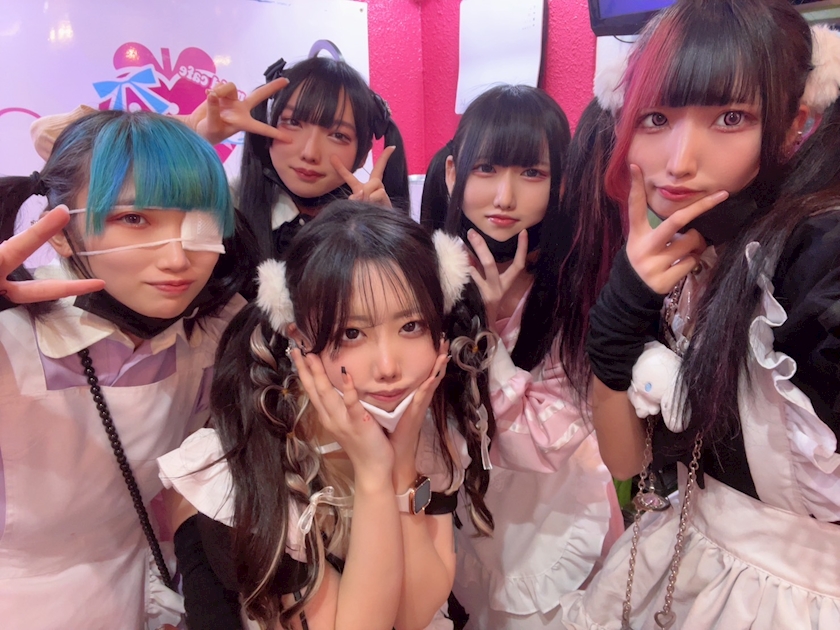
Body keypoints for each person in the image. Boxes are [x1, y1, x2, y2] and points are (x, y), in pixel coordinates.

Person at [561, 1, 840, 628]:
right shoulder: (687, 256)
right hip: (688, 566)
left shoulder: (816, 259)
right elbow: (628, 464)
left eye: (730, 118)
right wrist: (618, 318)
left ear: (795, 123)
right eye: (656, 118)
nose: (681, 159)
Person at [158, 201, 498, 630]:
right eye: (352, 333)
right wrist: (373, 470)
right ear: (297, 336)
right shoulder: (248, 460)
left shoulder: (424, 428)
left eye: (411, 326)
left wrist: (401, 467)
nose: (388, 366)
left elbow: (414, 615)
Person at [0, 109, 256, 629]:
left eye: (198, 223)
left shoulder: (215, 330)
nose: (177, 258)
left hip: (147, 592)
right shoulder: (12, 336)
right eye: (135, 219)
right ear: (61, 233)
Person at [423, 85, 624, 629]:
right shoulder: (425, 279)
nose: (504, 196)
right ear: (451, 174)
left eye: (532, 173)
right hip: (463, 515)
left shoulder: (575, 291)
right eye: (486, 168)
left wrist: (485, 337)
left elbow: (539, 442)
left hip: (552, 515)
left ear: (562, 185)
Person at [234, 56, 410, 259]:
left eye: (338, 135)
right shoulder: (226, 205)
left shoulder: (364, 222)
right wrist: (203, 137)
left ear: (363, 154)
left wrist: (383, 237)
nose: (310, 153)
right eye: (293, 123)